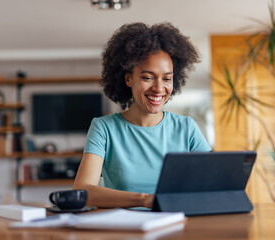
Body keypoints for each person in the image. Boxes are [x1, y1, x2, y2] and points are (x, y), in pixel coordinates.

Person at [73, 22, 212, 209]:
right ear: (128, 79)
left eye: (167, 78)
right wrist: (144, 200)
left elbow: (213, 184)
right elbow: (82, 191)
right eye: (148, 77)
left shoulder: (186, 127)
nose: (158, 88)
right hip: (125, 231)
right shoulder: (104, 128)